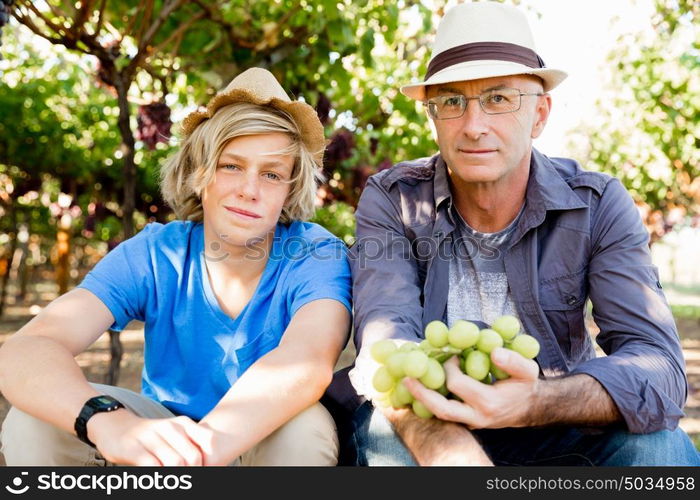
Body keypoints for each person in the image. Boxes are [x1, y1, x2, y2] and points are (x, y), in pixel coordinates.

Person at [341, 2, 700, 466]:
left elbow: (658, 367)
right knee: (384, 433)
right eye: (452, 101)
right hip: (432, 419)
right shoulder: (394, 200)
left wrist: (533, 403)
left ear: (540, 114)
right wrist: (453, 455)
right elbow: (386, 349)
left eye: (499, 98)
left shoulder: (596, 204)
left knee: (659, 450)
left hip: (556, 423)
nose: (473, 126)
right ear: (433, 116)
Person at [0, 67, 352, 466]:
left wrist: (200, 452)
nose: (249, 190)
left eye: (271, 174)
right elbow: (27, 349)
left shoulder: (316, 253)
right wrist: (103, 420)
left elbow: (307, 359)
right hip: (165, 437)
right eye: (231, 166)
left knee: (305, 428)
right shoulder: (156, 253)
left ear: (290, 188)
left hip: (261, 437)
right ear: (199, 173)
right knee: (32, 420)